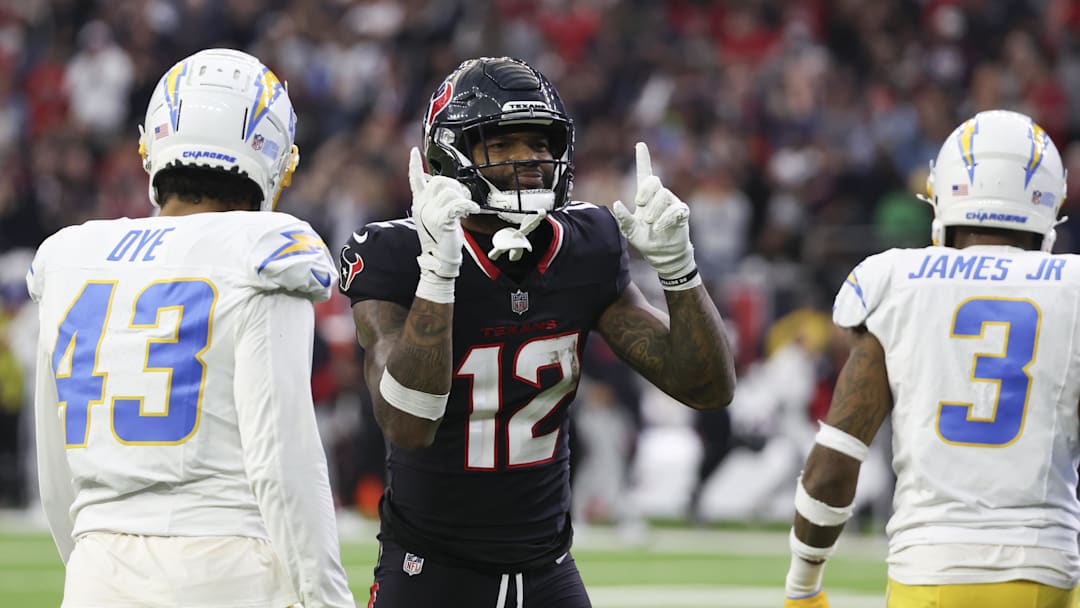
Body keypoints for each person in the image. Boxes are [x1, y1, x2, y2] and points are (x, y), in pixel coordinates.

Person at [339, 56, 736, 607]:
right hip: (431, 572)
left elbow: (707, 387)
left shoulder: (586, 244)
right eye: (502, 146)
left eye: (539, 144)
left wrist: (678, 269)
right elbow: (407, 424)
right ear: (447, 155)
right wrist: (439, 274)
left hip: (549, 570)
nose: (528, 161)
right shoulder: (395, 255)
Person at [28, 48, 355, 608]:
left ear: (151, 143)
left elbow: (56, 471)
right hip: (228, 569)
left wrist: (90, 563)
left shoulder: (69, 255)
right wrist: (327, 598)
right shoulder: (265, 250)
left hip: (96, 572)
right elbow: (284, 461)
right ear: (275, 156)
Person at [783, 109, 1080, 608]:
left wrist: (803, 585)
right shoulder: (1072, 289)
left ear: (944, 192)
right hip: (1044, 569)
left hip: (929, 571)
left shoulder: (896, 281)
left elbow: (834, 462)